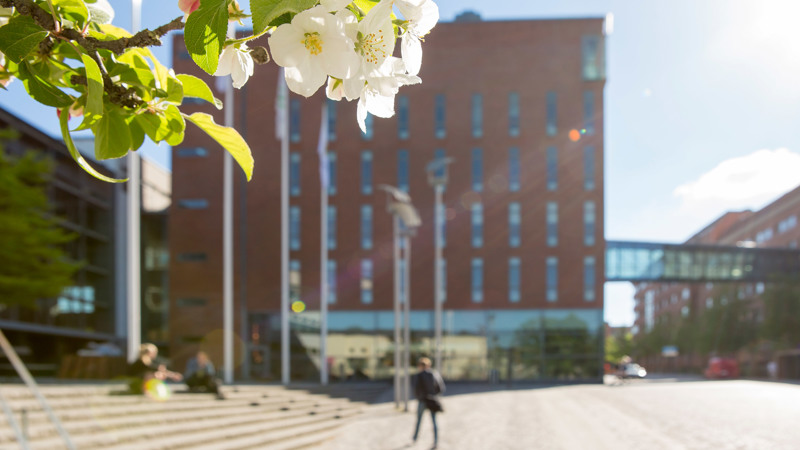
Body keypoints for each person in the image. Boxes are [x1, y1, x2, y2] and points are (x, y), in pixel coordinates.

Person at [412, 357, 445, 449]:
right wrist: (434, 395)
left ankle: (415, 438)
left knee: (419, 420)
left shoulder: (418, 375)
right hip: (432, 400)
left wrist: (420, 397)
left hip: (422, 400)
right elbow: (441, 388)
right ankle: (435, 441)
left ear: (420, 366)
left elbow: (415, 389)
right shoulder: (434, 374)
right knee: (434, 421)